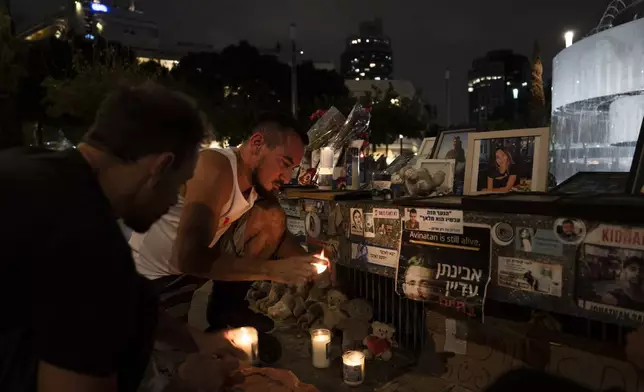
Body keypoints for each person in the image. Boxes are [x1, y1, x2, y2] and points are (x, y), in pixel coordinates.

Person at [0, 84, 241, 392]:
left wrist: (198, 340)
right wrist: (187, 386)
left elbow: (130, 300)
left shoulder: (29, 168)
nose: (173, 202)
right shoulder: (91, 244)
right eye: (180, 185)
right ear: (160, 167)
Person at [129, 112, 321, 367]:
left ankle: (227, 310)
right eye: (285, 163)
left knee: (272, 215)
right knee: (181, 371)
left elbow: (278, 234)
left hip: (187, 275)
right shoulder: (215, 166)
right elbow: (188, 257)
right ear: (256, 144)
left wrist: (311, 261)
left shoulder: (255, 185)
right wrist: (273, 271)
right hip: (152, 281)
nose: (287, 178)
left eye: (293, 168)